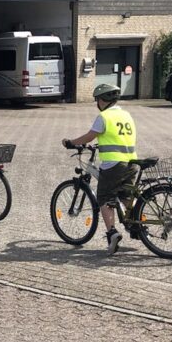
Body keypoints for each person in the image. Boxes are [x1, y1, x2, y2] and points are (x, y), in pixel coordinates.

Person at [62, 83, 137, 255]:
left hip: (114, 164)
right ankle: (135, 225)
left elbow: (90, 136)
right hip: (132, 161)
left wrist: (71, 142)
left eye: (97, 99)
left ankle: (112, 233)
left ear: (102, 100)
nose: (97, 103)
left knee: (104, 198)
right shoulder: (126, 115)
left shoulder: (104, 117)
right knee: (125, 195)